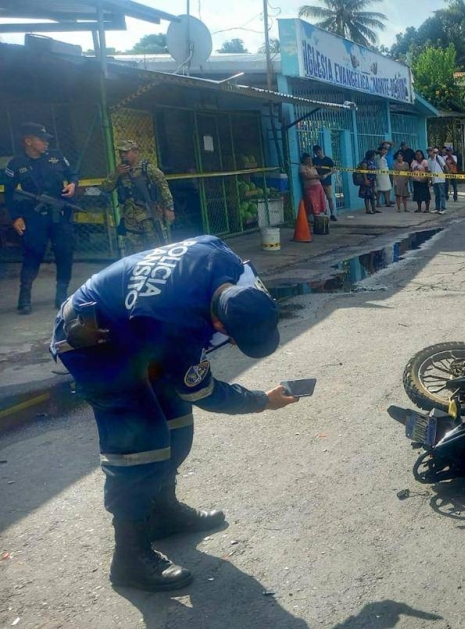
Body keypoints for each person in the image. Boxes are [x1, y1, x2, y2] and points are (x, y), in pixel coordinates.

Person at [50, 235, 299, 591]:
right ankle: (129, 559)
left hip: (132, 327)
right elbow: (206, 391)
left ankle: (163, 513)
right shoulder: (176, 325)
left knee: (176, 422)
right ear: (219, 325)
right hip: (92, 340)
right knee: (141, 443)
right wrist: (262, 400)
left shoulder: (223, 257)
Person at [3, 122, 79, 314]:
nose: (46, 143)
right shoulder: (16, 164)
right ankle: (25, 297)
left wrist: (72, 184)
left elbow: (72, 173)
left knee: (65, 252)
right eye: (41, 139)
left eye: (46, 140)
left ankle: (61, 294)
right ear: (28, 141)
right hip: (34, 217)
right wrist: (16, 217)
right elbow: (10, 193)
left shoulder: (56, 156)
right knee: (32, 254)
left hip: (59, 215)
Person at [101, 140, 174, 257]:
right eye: (121, 152)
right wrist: (116, 174)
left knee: (156, 250)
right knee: (134, 254)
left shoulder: (148, 169)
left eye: (126, 152)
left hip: (148, 217)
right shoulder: (119, 171)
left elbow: (163, 188)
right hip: (130, 219)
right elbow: (105, 188)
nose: (122, 155)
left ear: (135, 152)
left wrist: (169, 208)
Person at [312, 145, 337, 221]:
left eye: (318, 152)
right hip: (317, 182)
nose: (318, 154)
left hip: (327, 182)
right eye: (316, 153)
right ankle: (324, 214)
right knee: (320, 199)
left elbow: (334, 170)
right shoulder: (314, 160)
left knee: (330, 198)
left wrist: (326, 175)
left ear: (321, 150)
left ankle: (332, 214)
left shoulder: (328, 160)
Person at [298, 154, 325, 224]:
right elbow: (305, 176)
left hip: (318, 186)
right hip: (310, 187)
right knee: (312, 202)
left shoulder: (313, 167)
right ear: (304, 160)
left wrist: (317, 176)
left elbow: (316, 175)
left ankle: (319, 219)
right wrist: (316, 176)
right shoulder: (302, 167)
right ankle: (314, 219)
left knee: (319, 203)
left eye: (310, 159)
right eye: (308, 159)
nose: (310, 161)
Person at [356, 149, 379, 214]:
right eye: (373, 155)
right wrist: (366, 180)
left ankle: (374, 209)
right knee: (366, 195)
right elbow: (364, 173)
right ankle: (368, 210)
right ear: (370, 155)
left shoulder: (372, 161)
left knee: (372, 195)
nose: (374, 156)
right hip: (367, 181)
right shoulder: (365, 162)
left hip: (372, 180)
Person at [429, 147, 447, 214]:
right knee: (436, 194)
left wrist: (447, 175)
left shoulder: (439, 158)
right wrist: (430, 180)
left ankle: (443, 208)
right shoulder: (429, 161)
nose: (430, 153)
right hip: (434, 180)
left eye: (431, 151)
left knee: (442, 194)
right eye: (429, 151)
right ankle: (437, 208)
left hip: (441, 179)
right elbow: (429, 171)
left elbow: (445, 166)